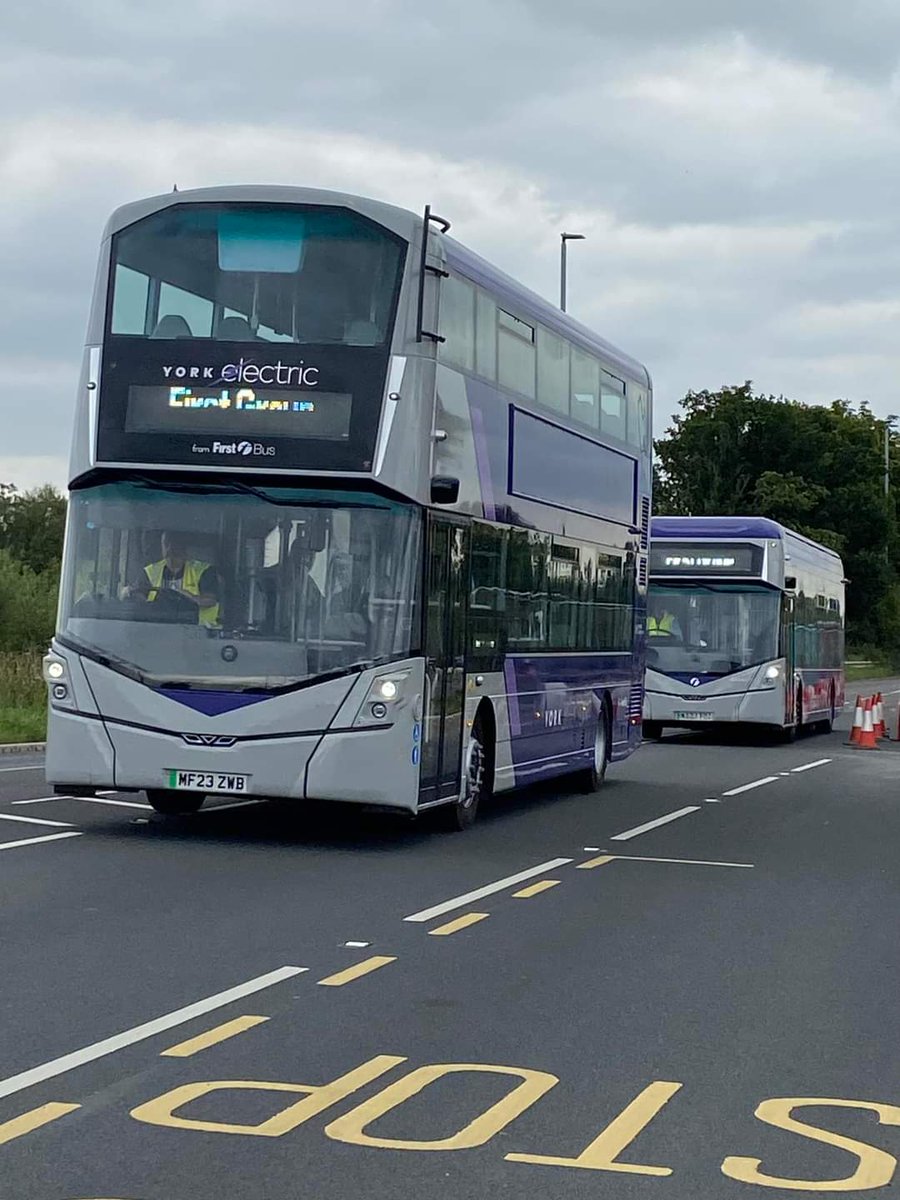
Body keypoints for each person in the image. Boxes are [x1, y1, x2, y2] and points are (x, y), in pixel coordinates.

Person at [124, 531, 221, 627]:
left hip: (199, 634)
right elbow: (136, 593)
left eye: (175, 543)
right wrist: (139, 598)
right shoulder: (150, 571)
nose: (170, 548)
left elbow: (210, 600)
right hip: (155, 630)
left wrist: (190, 597)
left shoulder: (204, 571)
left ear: (184, 547)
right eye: (166, 543)